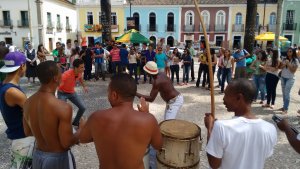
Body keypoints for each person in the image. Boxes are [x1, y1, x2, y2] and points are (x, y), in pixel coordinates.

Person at [79, 73, 163, 169]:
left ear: (114, 95)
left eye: (108, 92)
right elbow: (158, 145)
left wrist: (82, 127)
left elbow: (82, 139)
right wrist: (147, 114)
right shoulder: (148, 120)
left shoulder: (96, 117)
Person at [23, 61, 84, 169]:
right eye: (60, 72)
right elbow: (66, 142)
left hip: (37, 156)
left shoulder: (28, 103)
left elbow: (28, 132)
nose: (62, 74)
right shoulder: (62, 107)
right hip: (57, 159)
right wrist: (81, 130)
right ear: (55, 78)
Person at [205, 78, 277, 169]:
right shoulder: (270, 129)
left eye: (226, 95)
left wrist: (210, 129)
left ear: (239, 97)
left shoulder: (221, 127)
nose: (223, 99)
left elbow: (214, 164)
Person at [0, 52, 35, 169]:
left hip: (18, 139)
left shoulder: (4, 85)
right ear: (22, 66)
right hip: (24, 140)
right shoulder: (13, 92)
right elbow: (32, 114)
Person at [58, 59, 88, 127]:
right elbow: (58, 84)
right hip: (62, 93)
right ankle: (62, 125)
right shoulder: (66, 74)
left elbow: (80, 79)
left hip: (71, 93)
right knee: (63, 110)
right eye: (82, 67)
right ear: (75, 68)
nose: (84, 69)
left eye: (83, 67)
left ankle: (76, 122)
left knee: (82, 108)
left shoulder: (80, 73)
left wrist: (84, 86)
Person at [279, 48, 299, 114]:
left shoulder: (295, 60)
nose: (288, 52)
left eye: (290, 51)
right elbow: (279, 67)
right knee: (284, 93)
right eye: (287, 51)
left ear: (293, 52)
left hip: (290, 79)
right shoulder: (284, 59)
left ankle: (286, 109)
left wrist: (288, 64)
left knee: (287, 93)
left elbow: (293, 71)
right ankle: (284, 106)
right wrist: (283, 64)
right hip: (283, 77)